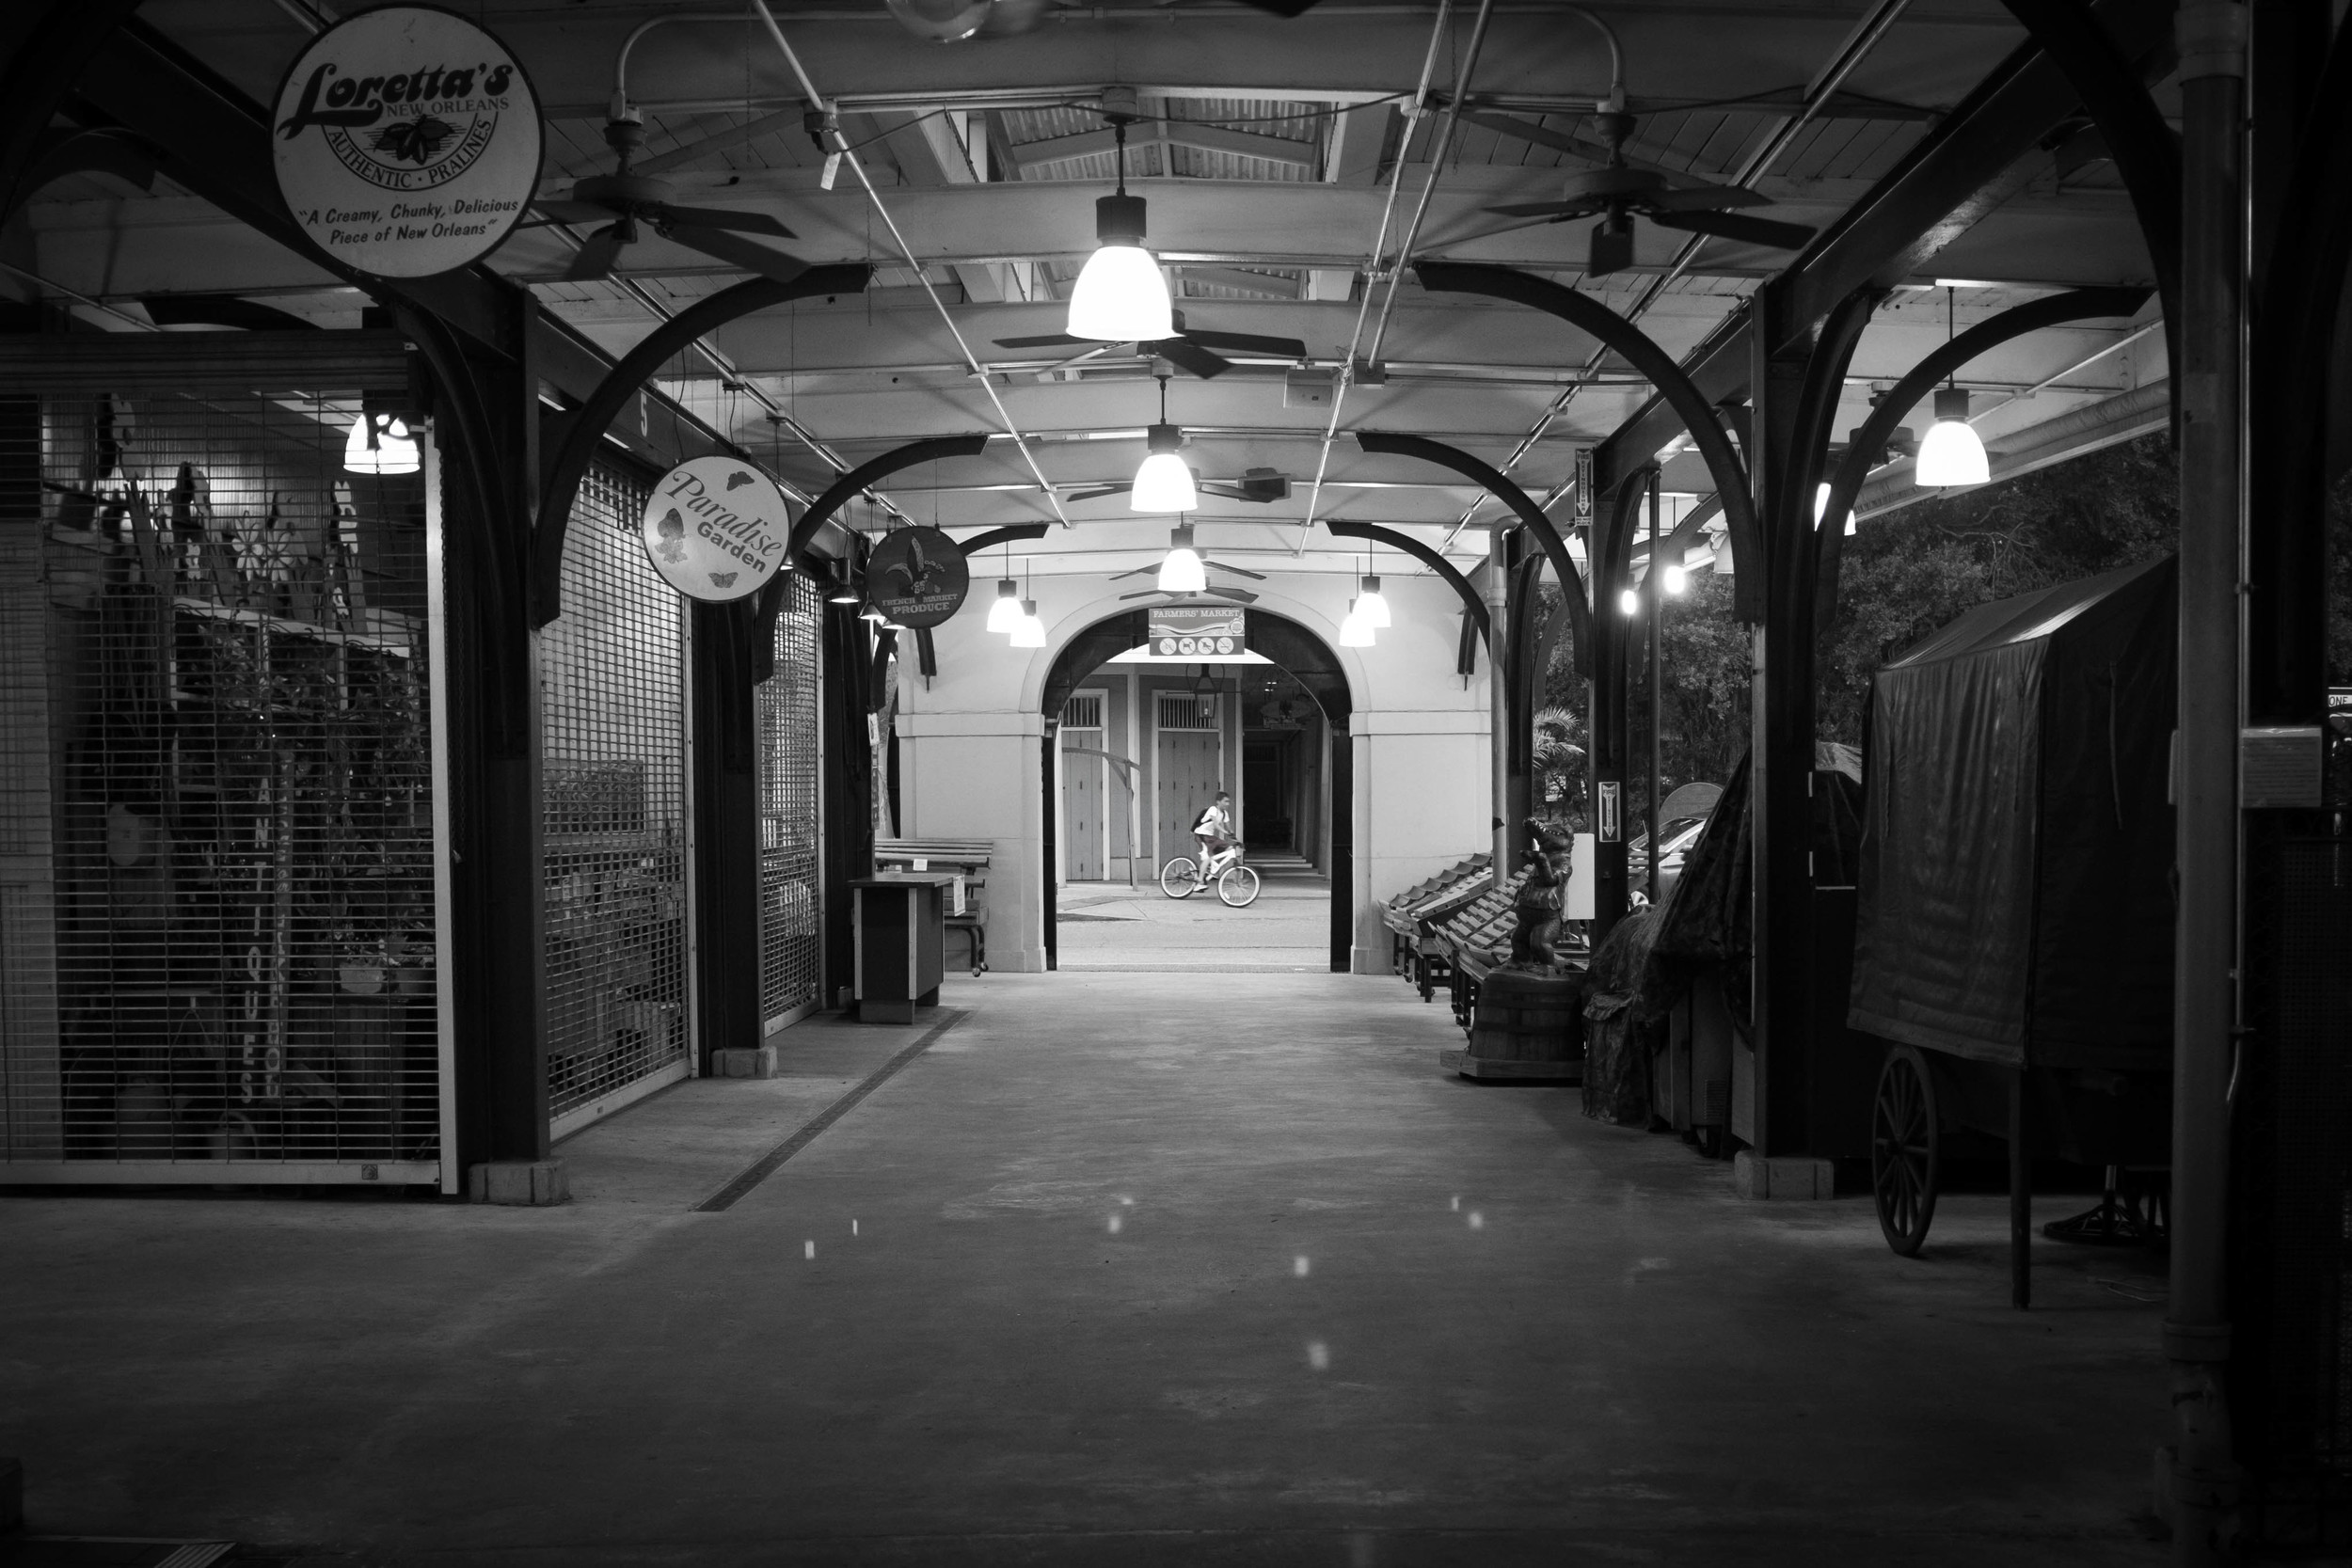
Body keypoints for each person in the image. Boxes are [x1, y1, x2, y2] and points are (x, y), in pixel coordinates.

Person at [1192, 790, 1239, 879]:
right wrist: (1225, 832)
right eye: (1225, 801)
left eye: (1228, 801)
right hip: (1201, 835)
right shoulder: (1213, 809)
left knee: (1229, 848)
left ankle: (1211, 867)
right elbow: (1216, 825)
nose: (1227, 804)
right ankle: (1200, 881)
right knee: (1207, 858)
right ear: (1218, 802)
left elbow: (1229, 828)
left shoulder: (1225, 814)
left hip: (1209, 837)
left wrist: (1236, 840)